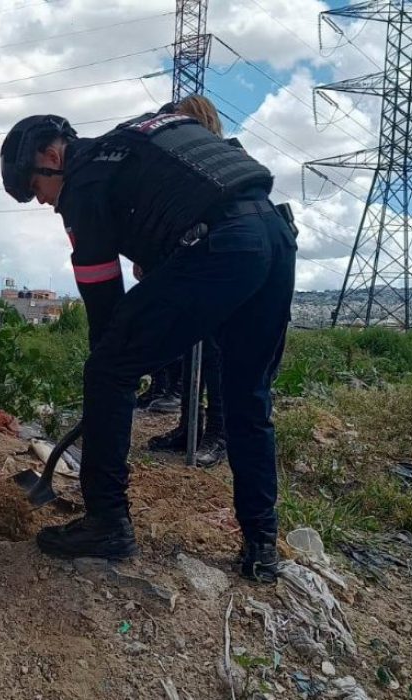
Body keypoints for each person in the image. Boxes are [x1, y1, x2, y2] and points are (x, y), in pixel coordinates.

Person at [0, 106, 296, 582]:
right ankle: (261, 545)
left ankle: (107, 522)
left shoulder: (85, 180)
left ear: (53, 156)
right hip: (274, 237)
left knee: (107, 369)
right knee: (248, 397)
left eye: (35, 188)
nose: (42, 202)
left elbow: (105, 309)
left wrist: (107, 385)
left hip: (221, 246)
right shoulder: (136, 141)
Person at [142, 96, 230, 469]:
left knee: (215, 354)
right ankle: (187, 428)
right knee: (186, 348)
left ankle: (218, 434)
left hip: (221, 266)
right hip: (184, 266)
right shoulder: (179, 162)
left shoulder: (225, 159)